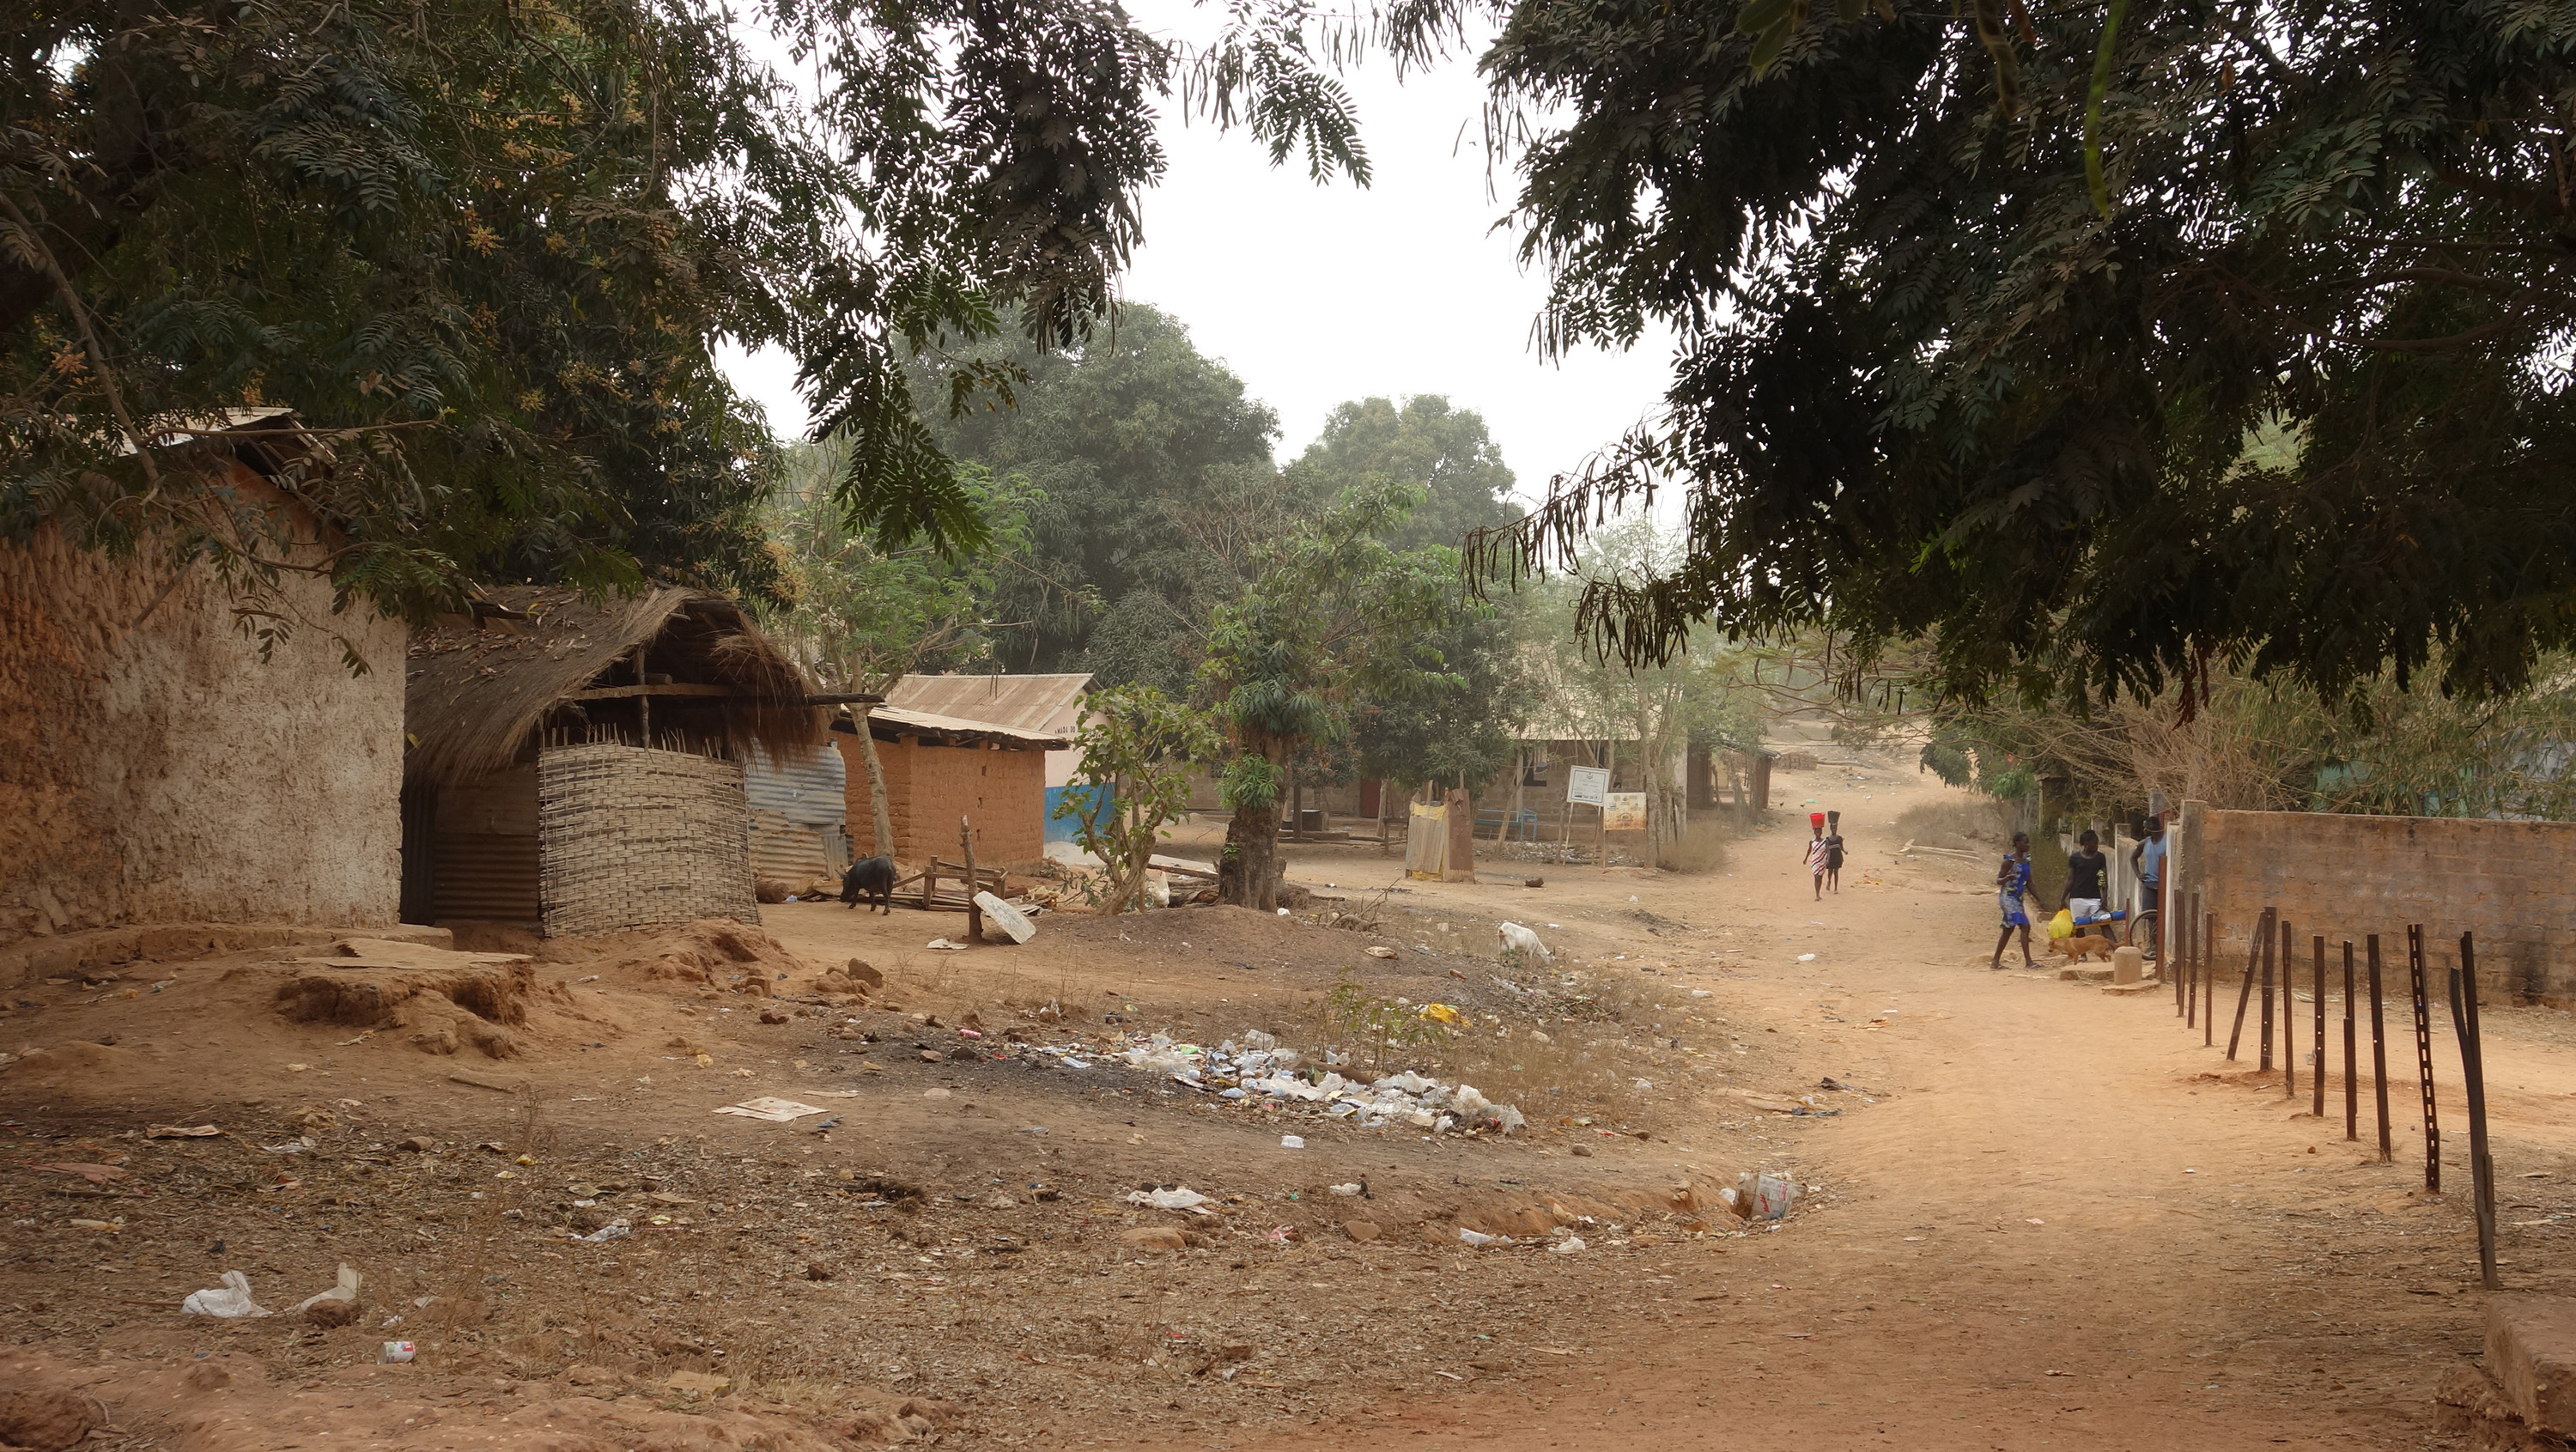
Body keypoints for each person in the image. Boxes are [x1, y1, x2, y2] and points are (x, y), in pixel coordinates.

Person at [1990, 831, 2035, 969]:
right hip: (2008, 898)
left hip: (2018, 898)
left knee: (2008, 930)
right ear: (2017, 844)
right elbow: (1998, 880)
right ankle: (2028, 962)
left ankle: (1995, 962)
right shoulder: (2009, 861)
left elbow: (2030, 882)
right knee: (2025, 926)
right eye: (2025, 842)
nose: (2028, 845)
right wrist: (2007, 879)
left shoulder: (2027, 859)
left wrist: (2038, 899)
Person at [2129, 816, 2167, 958]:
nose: (2144, 829)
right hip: (2149, 884)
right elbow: (2133, 858)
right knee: (2151, 916)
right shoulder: (2145, 843)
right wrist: (2139, 874)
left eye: (2146, 826)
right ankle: (2154, 945)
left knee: (2163, 915)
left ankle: (2161, 945)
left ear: (2153, 827)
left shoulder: (2167, 841)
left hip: (2163, 884)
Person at [2063, 829, 2108, 926]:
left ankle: (2113, 942)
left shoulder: (2100, 857)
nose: (2097, 846)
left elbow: (2103, 879)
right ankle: (2081, 942)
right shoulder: (2075, 858)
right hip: (2077, 898)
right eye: (2095, 844)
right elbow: (2070, 879)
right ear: (2086, 844)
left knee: (2104, 923)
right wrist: (2062, 898)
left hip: (2095, 898)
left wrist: (2104, 897)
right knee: (2079, 926)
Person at [1821, 810, 1846, 894]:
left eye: (1835, 828)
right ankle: (1829, 881)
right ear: (1830, 829)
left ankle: (1835, 888)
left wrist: (1845, 851)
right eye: (1833, 828)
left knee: (1836, 872)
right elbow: (1826, 849)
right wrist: (1826, 858)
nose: (1834, 830)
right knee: (1830, 872)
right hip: (1831, 857)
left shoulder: (1839, 838)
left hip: (1838, 857)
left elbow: (1841, 847)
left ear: (1837, 828)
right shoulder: (1827, 839)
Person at [1803, 820, 1829, 901]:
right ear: (1815, 832)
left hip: (1822, 861)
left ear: (1821, 832)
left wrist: (1828, 859)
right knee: (1816, 877)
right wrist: (1806, 858)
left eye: (1820, 831)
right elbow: (1809, 850)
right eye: (1817, 831)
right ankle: (1817, 894)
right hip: (1815, 861)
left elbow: (1828, 851)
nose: (1818, 833)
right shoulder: (1812, 842)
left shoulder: (1825, 841)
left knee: (1820, 878)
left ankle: (1818, 892)